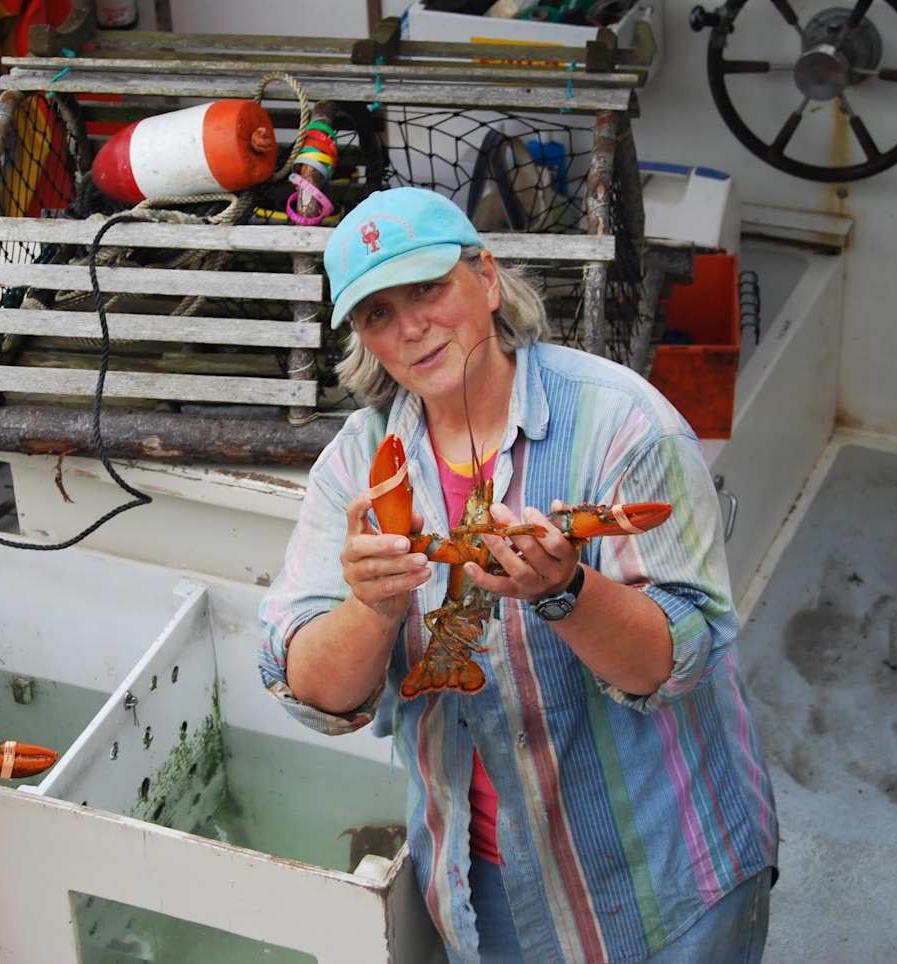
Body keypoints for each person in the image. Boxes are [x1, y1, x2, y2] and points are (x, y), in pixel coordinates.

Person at [258, 187, 777, 962]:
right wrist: (371, 607)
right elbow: (310, 693)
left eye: (428, 289)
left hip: (665, 880)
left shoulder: (625, 424)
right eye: (377, 314)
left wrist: (566, 591)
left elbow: (683, 658)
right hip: (480, 888)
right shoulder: (356, 469)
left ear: (488, 277)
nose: (410, 327)